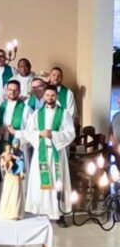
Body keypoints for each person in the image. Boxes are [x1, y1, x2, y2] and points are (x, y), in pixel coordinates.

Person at [23, 84, 75, 223]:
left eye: (52, 95)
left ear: (56, 96)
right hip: (41, 152)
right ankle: (41, 211)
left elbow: (71, 133)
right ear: (44, 96)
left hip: (57, 151)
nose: (50, 98)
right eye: (47, 95)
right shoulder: (37, 113)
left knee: (58, 181)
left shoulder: (64, 113)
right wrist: (40, 133)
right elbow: (28, 132)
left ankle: (59, 213)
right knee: (40, 181)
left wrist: (54, 135)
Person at [0, 80, 33, 167]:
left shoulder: (26, 109)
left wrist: (16, 133)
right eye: (10, 89)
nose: (12, 92)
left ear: (19, 91)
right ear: (6, 90)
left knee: (19, 177)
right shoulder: (0, 106)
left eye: (15, 90)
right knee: (2, 175)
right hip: (1, 145)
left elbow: (31, 131)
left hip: (18, 146)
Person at [0, 139, 27, 221]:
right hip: (9, 175)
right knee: (7, 192)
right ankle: (6, 212)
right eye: (14, 143)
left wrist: (21, 172)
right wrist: (3, 162)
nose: (16, 145)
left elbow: (21, 162)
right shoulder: (6, 153)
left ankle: (15, 213)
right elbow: (1, 160)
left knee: (16, 193)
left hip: (16, 175)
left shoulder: (21, 153)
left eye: (17, 143)